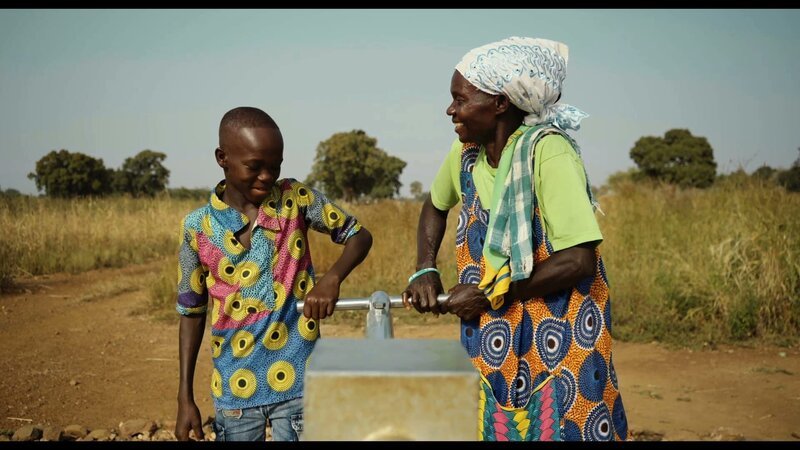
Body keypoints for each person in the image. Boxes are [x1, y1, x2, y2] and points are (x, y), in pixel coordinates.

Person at [402, 37, 628, 441]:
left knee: (566, 423)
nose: (451, 109)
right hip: (493, 335)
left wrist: (489, 294)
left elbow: (578, 260)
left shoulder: (549, 154)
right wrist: (426, 268)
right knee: (497, 425)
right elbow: (434, 206)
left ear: (501, 103)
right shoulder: (465, 155)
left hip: (563, 329)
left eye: (461, 99)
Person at [174, 106, 373, 441]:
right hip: (235, 392)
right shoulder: (197, 228)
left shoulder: (295, 199)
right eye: (255, 166)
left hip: (300, 384)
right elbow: (191, 312)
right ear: (223, 158)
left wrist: (331, 278)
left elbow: (359, 235)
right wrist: (184, 397)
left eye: (275, 166)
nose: (267, 176)